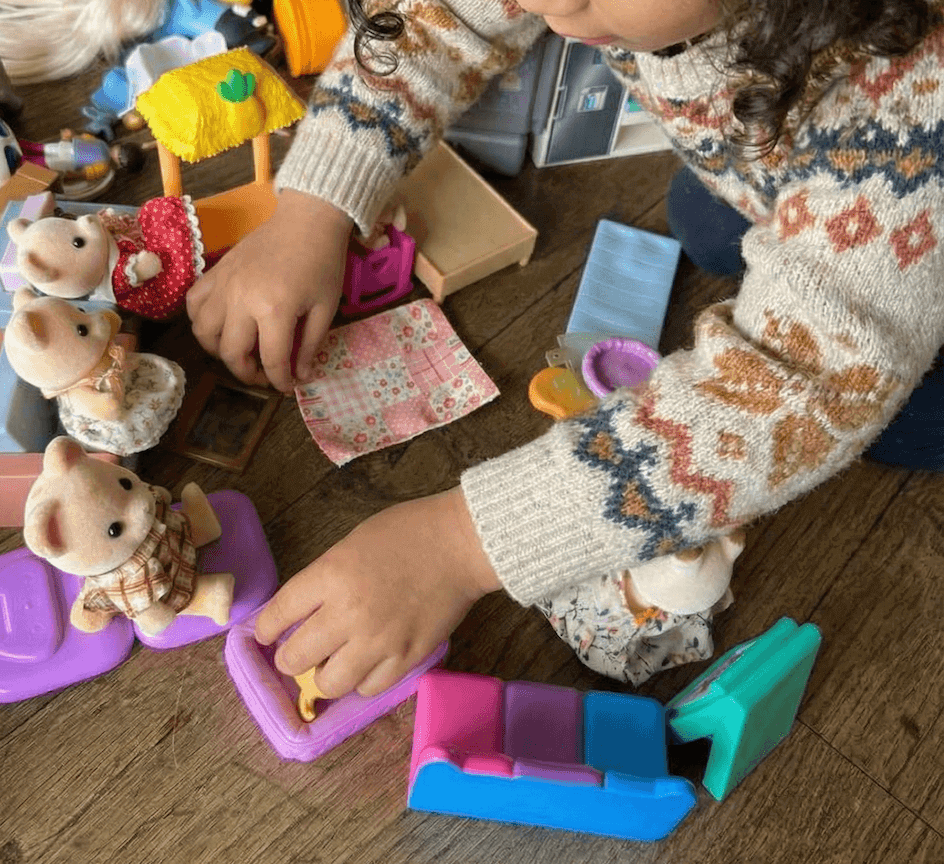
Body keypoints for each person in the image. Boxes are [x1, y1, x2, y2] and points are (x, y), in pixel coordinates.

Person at [186, 0, 944, 699]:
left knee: (900, 425)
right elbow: (439, 18)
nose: (548, 5)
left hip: (904, 211)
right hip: (812, 168)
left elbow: (805, 382)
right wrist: (312, 210)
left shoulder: (914, 93)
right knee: (707, 218)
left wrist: (459, 545)